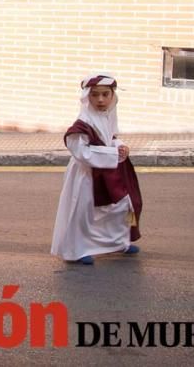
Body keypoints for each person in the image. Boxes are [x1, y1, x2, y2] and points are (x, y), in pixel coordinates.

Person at [50, 73, 143, 265]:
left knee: (121, 207)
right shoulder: (82, 124)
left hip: (109, 171)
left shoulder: (107, 116)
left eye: (105, 94)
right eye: (95, 95)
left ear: (112, 96)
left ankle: (119, 242)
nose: (100, 100)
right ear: (87, 97)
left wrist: (119, 146)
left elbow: (111, 138)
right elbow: (80, 151)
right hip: (86, 174)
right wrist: (112, 154)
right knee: (83, 212)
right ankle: (78, 249)